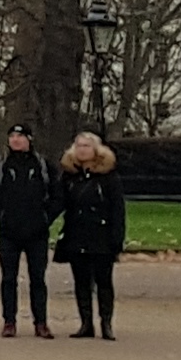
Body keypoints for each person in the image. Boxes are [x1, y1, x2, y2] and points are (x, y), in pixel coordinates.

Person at [0, 124, 57, 338]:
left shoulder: (42, 165)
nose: (15, 140)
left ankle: (41, 322)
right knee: (8, 278)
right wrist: (1, 216)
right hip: (9, 232)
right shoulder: (1, 165)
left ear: (29, 139)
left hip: (37, 232)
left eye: (20, 136)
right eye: (12, 136)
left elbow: (57, 195)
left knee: (38, 279)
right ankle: (9, 321)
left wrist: (46, 218)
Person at [54, 131, 126, 341]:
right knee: (81, 281)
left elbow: (117, 210)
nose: (82, 149)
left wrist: (117, 238)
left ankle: (106, 323)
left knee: (104, 281)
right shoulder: (69, 176)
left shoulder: (109, 177)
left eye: (86, 145)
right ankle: (86, 323)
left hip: (101, 234)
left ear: (96, 149)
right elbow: (60, 203)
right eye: (78, 145)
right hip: (77, 233)